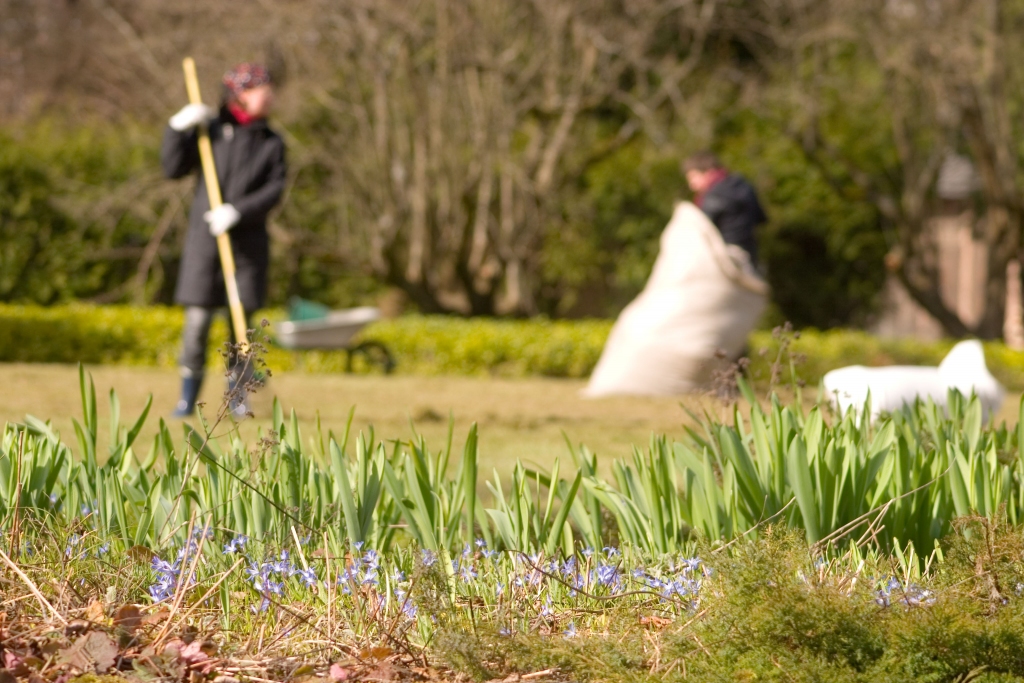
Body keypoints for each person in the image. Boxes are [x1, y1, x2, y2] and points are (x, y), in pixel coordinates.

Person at [161, 63, 287, 417]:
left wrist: (238, 211)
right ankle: (187, 399)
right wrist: (176, 128)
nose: (271, 95)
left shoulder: (271, 142)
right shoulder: (210, 132)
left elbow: (275, 190)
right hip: (205, 246)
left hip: (246, 248)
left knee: (241, 325)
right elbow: (172, 168)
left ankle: (238, 399)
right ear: (241, 93)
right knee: (197, 323)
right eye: (264, 88)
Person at [683, 151, 766, 265]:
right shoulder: (743, 185)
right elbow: (761, 218)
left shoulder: (711, 196)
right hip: (750, 255)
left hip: (723, 259)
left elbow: (700, 233)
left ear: (708, 172)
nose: (692, 185)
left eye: (693, 177)